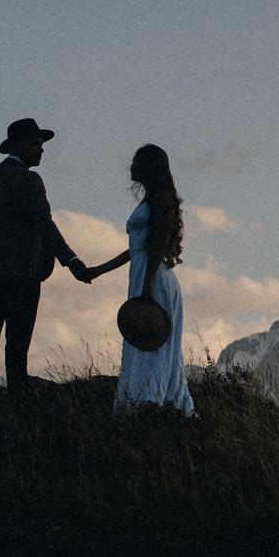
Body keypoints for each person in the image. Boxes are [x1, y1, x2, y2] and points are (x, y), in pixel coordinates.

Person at [0, 117, 89, 389]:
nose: (41, 149)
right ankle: (17, 393)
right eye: (36, 144)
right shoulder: (29, 179)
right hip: (23, 273)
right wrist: (71, 261)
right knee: (18, 341)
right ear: (19, 145)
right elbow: (44, 224)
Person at [79, 143, 196, 416]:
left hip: (154, 279)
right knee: (145, 339)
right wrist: (99, 270)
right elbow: (136, 249)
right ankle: (150, 402)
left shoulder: (162, 198)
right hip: (145, 275)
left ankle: (152, 402)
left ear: (149, 167)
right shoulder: (153, 198)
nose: (131, 167)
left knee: (152, 338)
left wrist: (147, 287)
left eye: (136, 162)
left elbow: (158, 243)